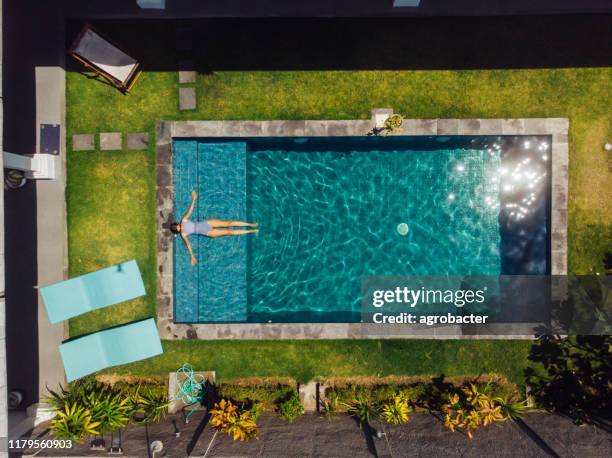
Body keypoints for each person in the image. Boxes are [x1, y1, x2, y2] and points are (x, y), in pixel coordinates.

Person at [170, 190, 258, 265]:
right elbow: (188, 245)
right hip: (208, 233)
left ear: (178, 224)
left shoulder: (184, 220)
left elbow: (190, 211)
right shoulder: (183, 234)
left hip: (208, 223)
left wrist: (193, 199)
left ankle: (250, 225)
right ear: (178, 231)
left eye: (179, 226)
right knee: (229, 232)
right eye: (179, 229)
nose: (181, 228)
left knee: (229, 223)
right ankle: (251, 231)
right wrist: (192, 256)